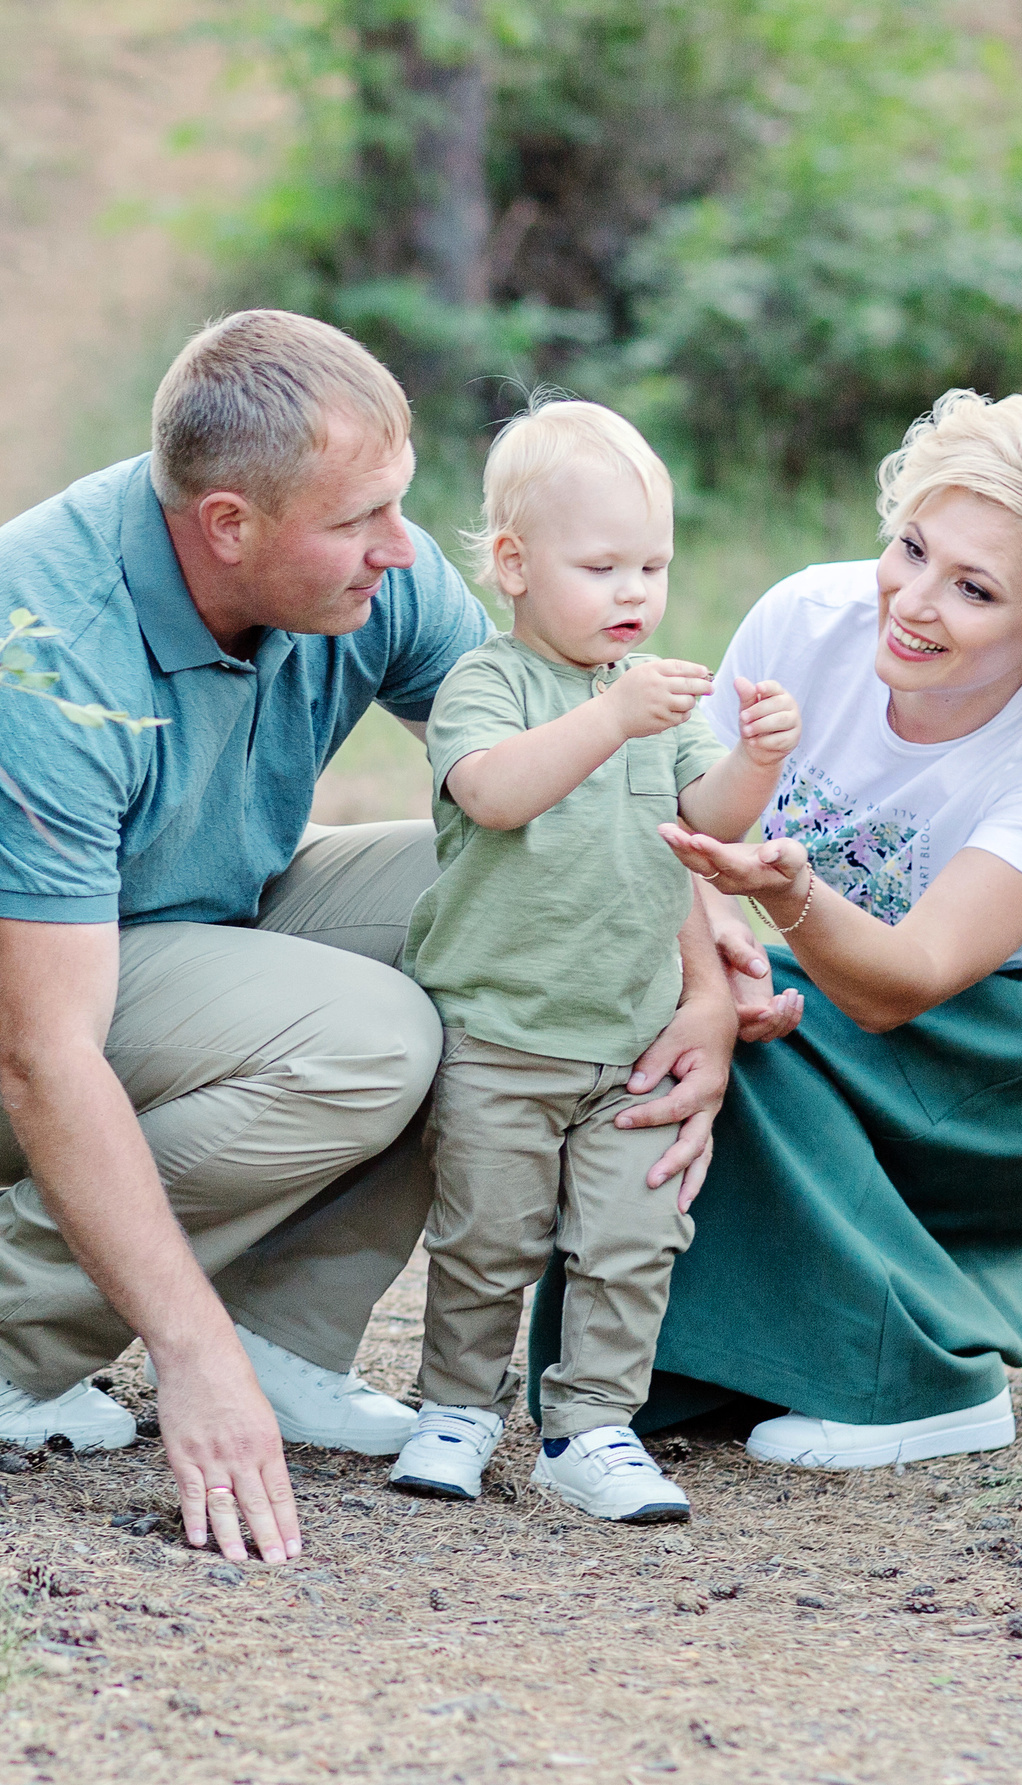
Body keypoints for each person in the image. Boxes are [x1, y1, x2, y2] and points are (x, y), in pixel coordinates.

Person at [0, 312, 739, 1566]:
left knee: (514, 914)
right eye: (360, 521)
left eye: (398, 504)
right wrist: (189, 1363)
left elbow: (566, 796)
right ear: (229, 523)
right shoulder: (40, 656)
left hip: (171, 931)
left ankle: (287, 1332)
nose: (401, 550)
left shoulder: (363, 572)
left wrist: (702, 974)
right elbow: (45, 1056)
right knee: (371, 1038)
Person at [527, 388, 1022, 1468]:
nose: (913, 602)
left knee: (767, 1047)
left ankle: (922, 1383)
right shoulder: (805, 620)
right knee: (652, 1019)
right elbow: (673, 821)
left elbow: (901, 982)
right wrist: (703, 989)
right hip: (832, 974)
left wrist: (775, 905)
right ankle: (687, 1357)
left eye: (973, 589)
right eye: (912, 549)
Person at [380, 402, 798, 1523]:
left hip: (629, 1039)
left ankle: (590, 1427)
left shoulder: (657, 704)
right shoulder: (489, 683)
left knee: (630, 1241)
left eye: (652, 566)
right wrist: (613, 717)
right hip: (501, 1033)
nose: (634, 593)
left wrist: (754, 764)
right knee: (486, 1236)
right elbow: (493, 793)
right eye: (602, 565)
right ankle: (457, 1410)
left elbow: (704, 819)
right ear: (513, 566)